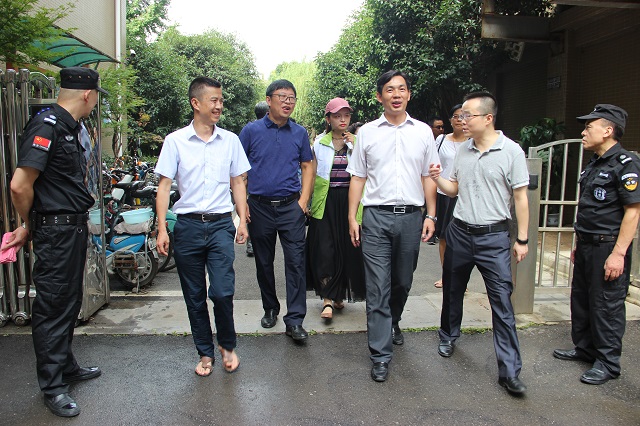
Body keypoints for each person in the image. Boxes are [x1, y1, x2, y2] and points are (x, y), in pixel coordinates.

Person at [2, 67, 107, 417]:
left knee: (68, 301)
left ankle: (66, 366)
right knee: (52, 305)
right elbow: (20, 185)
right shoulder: (46, 126)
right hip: (55, 231)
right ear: (87, 95)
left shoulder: (70, 127)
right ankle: (53, 385)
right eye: (96, 98)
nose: (95, 103)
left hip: (71, 228)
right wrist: (29, 223)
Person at [428, 91, 530, 395]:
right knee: (452, 288)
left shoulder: (511, 151)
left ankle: (509, 371)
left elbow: (521, 198)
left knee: (502, 302)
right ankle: (448, 335)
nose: (462, 120)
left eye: (467, 115)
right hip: (460, 231)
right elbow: (453, 188)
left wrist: (522, 239)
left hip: (494, 237)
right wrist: (436, 178)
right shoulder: (463, 149)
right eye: (460, 115)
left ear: (488, 118)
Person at [347, 70, 438, 382]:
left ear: (408, 94)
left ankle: (393, 320)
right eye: (389, 89)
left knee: (402, 281)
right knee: (377, 287)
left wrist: (431, 214)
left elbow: (428, 175)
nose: (396, 94)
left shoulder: (423, 132)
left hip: (411, 217)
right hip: (375, 217)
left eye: (401, 89)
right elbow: (357, 177)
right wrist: (352, 217)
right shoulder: (368, 133)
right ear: (379, 96)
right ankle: (380, 354)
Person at [155, 77, 250, 377]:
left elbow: (238, 182)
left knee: (222, 291)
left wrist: (242, 219)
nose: (219, 105)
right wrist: (161, 228)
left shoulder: (230, 140)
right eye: (214, 100)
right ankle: (205, 352)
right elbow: (164, 186)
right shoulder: (175, 141)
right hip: (188, 227)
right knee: (194, 295)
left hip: (221, 224)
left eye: (221, 100)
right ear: (196, 103)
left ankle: (227, 345)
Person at [553, 104, 640, 385]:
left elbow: (633, 211)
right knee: (581, 299)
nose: (583, 132)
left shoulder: (626, 164)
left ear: (608, 130)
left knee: (606, 304)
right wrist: (579, 243)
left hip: (608, 247)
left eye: (589, 127)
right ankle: (585, 349)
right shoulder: (595, 163)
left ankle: (608, 363)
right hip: (587, 244)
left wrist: (618, 254)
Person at [239, 79, 314, 342]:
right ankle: (270, 308)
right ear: (269, 100)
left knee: (296, 263)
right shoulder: (251, 131)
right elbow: (239, 170)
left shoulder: (299, 133)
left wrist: (303, 201)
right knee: (263, 262)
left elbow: (307, 166)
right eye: (282, 97)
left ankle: (295, 320)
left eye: (292, 98)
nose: (288, 102)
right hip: (259, 207)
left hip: (290, 207)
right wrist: (242, 205)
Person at [306, 98, 366, 320]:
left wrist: (355, 146)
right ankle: (327, 299)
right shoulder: (320, 143)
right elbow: (312, 174)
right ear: (328, 119)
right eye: (337, 116)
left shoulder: (358, 142)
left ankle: (339, 294)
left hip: (351, 201)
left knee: (347, 248)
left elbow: (367, 170)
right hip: (326, 201)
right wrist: (306, 201)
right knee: (325, 249)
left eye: (346, 116)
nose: (342, 120)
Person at [432, 104, 469, 288]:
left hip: (465, 196)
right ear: (450, 120)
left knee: (463, 239)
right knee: (444, 237)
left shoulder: (473, 142)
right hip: (444, 194)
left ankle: (462, 279)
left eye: (464, 116)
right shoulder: (441, 141)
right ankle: (446, 275)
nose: (460, 120)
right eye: (456, 116)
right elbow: (433, 167)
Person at [244, 101, 270, 258]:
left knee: (251, 213)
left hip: (251, 182)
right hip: (255, 182)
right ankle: (253, 243)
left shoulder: (249, 130)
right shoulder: (255, 130)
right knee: (253, 212)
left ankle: (251, 243)